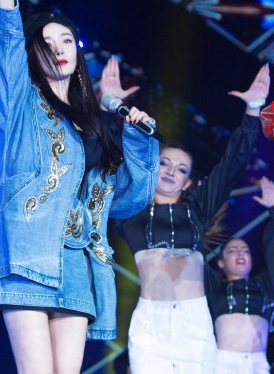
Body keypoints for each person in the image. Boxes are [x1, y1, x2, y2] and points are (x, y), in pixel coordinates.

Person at [0, 0, 160, 374]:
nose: (60, 48)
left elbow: (126, 199)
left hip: (79, 263)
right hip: (28, 254)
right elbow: (7, 36)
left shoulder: (92, 125)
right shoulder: (20, 102)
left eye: (67, 40)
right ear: (33, 54)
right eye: (48, 42)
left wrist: (132, 130)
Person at [106, 58, 270, 373]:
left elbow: (231, 166)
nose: (172, 171)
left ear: (188, 183)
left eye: (182, 169)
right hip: (151, 324)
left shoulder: (196, 209)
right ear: (152, 167)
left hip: (194, 326)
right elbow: (106, 159)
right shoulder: (131, 209)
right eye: (164, 163)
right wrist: (110, 105)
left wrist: (253, 109)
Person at [205, 175, 274, 374]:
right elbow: (194, 250)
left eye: (245, 250)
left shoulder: (264, 287)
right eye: (233, 251)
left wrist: (273, 209)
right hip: (222, 365)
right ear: (221, 262)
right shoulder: (213, 287)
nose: (240, 254)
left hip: (259, 366)